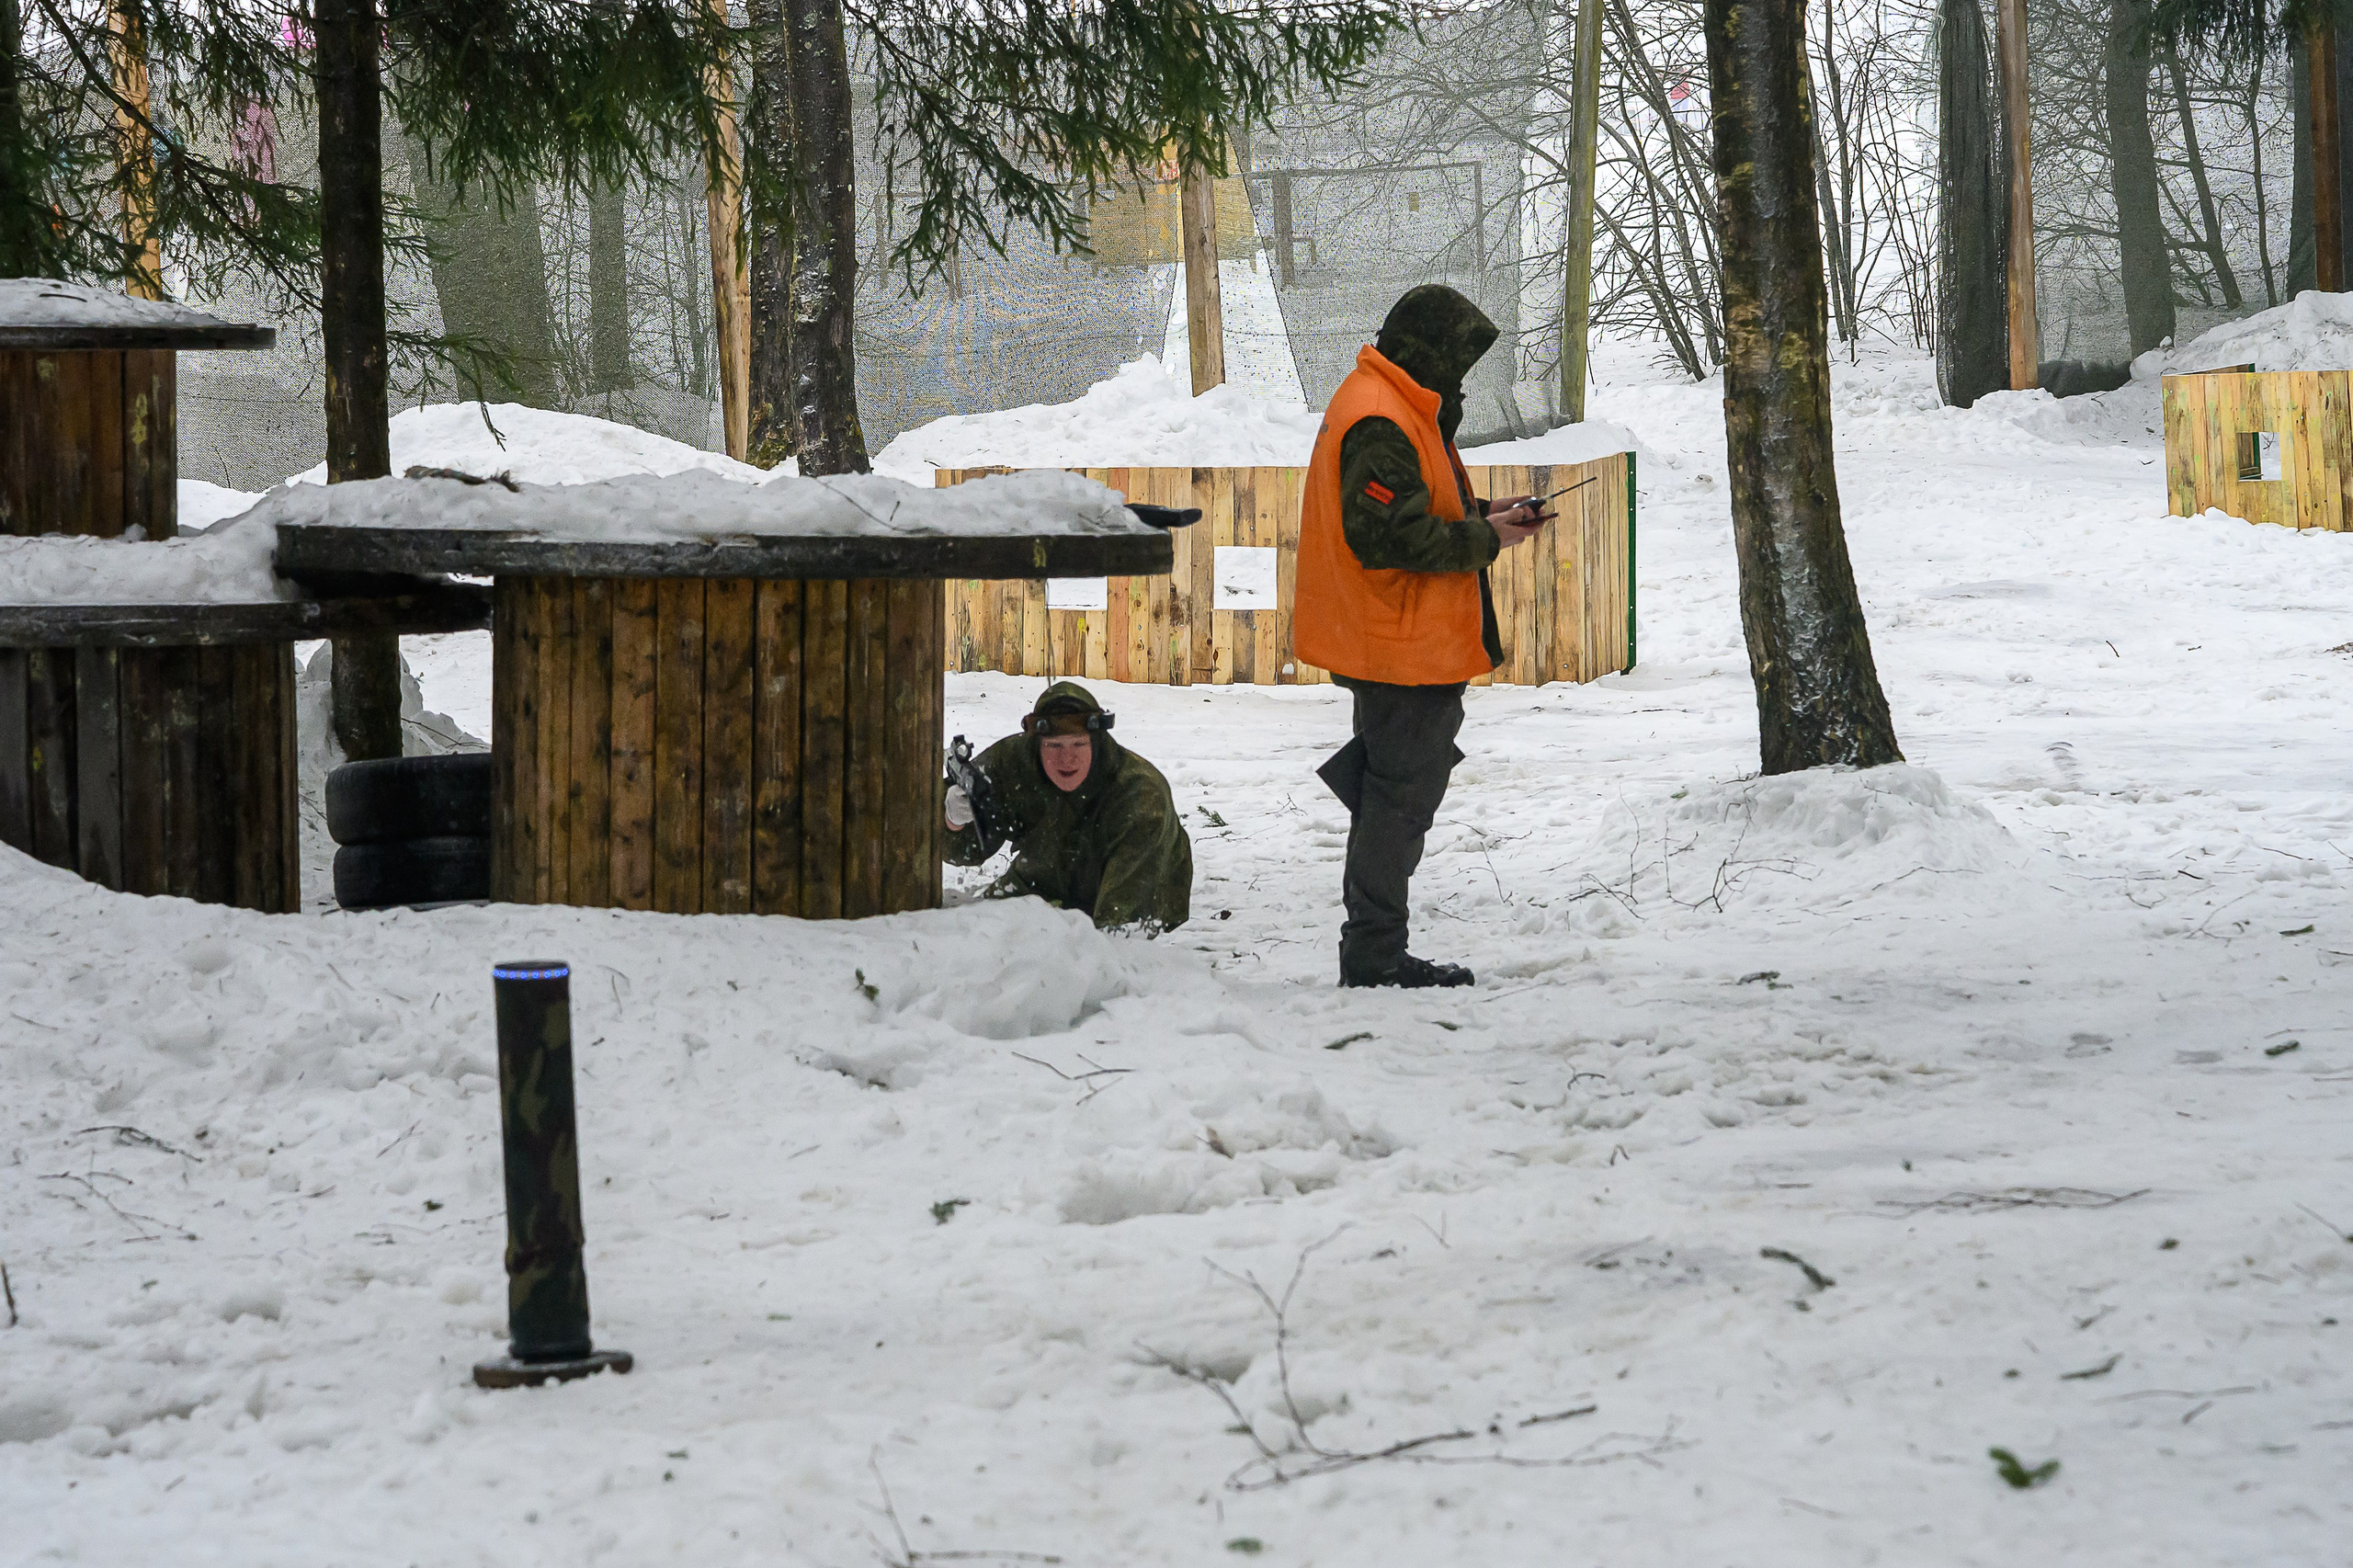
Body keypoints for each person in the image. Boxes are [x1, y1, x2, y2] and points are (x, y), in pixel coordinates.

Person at [1293, 284, 1547, 988]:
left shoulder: (1396, 402)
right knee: (1397, 802)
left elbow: (1414, 503)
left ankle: (1373, 948)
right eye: (1458, 360)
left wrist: (1485, 513)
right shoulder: (1380, 415)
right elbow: (1386, 536)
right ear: (1427, 350)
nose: (1461, 376)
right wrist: (1484, 536)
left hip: (1397, 639)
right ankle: (1374, 957)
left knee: (1393, 791)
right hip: (1398, 644)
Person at [942, 681, 1192, 935]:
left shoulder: (1140, 796)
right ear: (1037, 743)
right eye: (1054, 746)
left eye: (1078, 745)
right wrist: (952, 820)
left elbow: (1122, 928)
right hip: (1039, 880)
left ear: (1096, 742)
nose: (1067, 759)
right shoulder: (1012, 763)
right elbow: (967, 849)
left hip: (1123, 890)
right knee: (975, 935)